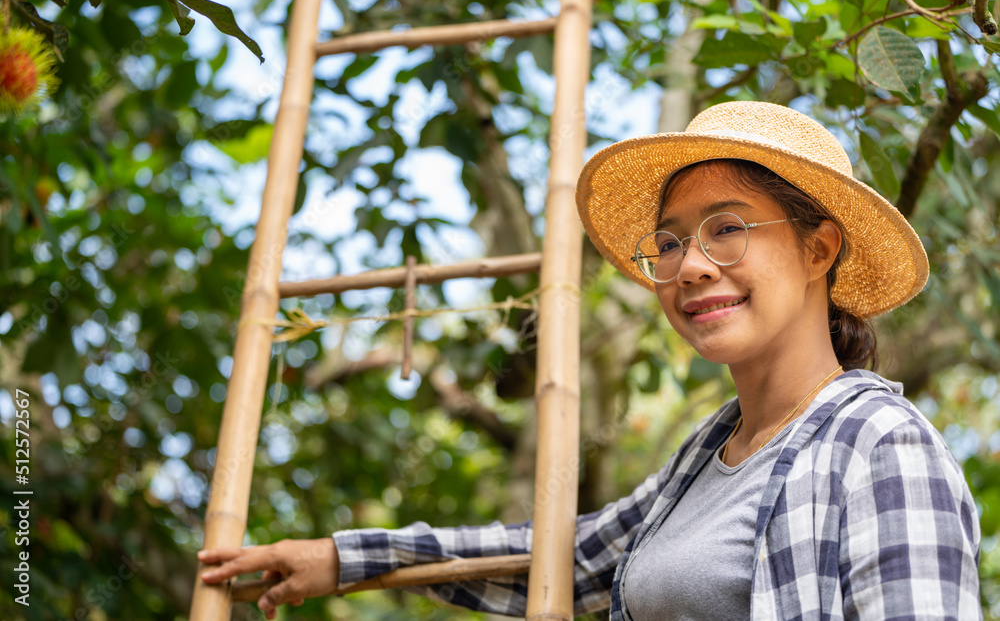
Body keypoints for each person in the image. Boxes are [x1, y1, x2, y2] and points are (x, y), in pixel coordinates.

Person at [198, 101, 981, 620]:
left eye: (728, 228)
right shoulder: (706, 457)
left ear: (819, 247)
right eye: (669, 242)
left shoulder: (879, 443)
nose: (691, 266)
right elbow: (566, 557)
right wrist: (345, 557)